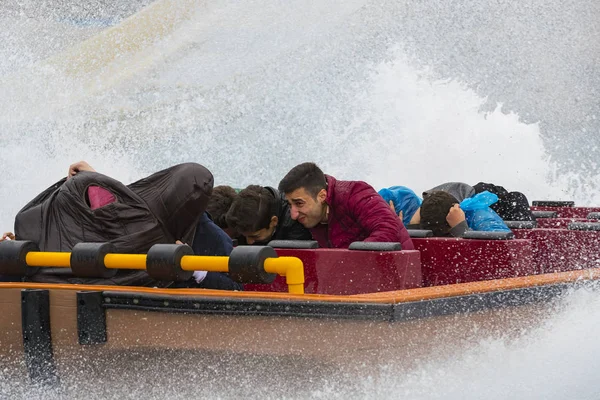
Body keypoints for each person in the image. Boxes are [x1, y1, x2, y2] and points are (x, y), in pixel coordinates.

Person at [4, 160, 241, 290]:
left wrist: (195, 270)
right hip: (60, 284)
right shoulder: (133, 205)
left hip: (62, 287)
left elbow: (237, 289)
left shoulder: (208, 235)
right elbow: (115, 213)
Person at [278, 162, 414, 249]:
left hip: (399, 280)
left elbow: (388, 229)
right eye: (290, 205)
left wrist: (348, 261)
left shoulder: (356, 193)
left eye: (299, 203)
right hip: (353, 286)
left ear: (322, 196)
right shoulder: (307, 218)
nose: (293, 214)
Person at [379, 182, 510, 237]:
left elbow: (502, 240)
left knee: (515, 198)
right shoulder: (404, 206)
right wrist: (395, 226)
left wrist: (460, 228)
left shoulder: (477, 212)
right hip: (435, 196)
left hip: (472, 194)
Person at [225, 185, 312, 245]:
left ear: (273, 221)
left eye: (255, 236)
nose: (249, 242)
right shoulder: (236, 216)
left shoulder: (296, 220)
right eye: (243, 236)